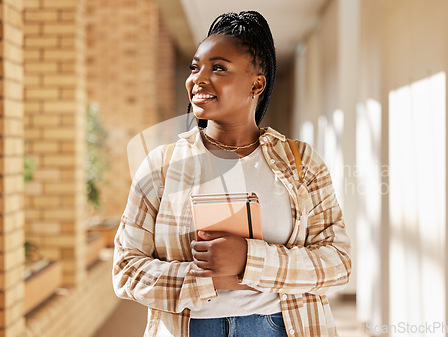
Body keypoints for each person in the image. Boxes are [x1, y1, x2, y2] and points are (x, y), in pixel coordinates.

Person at [113, 10, 351, 337]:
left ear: (257, 84)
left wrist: (248, 260)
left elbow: (337, 263)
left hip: (280, 327)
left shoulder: (301, 163)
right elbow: (126, 270)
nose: (198, 78)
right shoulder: (161, 166)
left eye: (219, 68)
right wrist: (202, 279)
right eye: (195, 67)